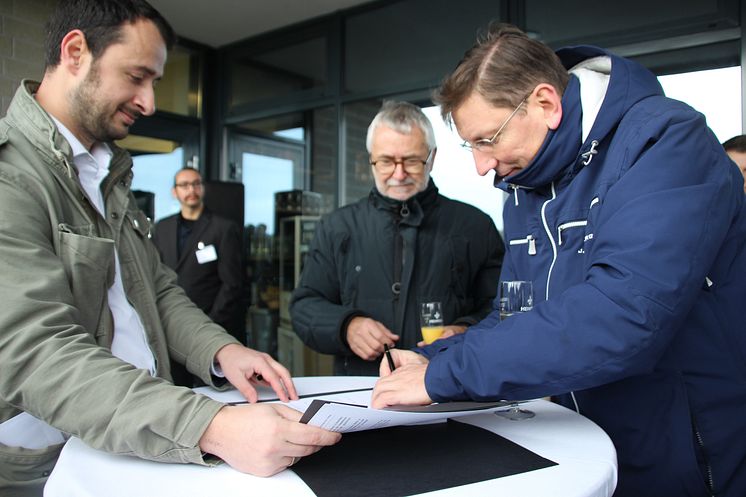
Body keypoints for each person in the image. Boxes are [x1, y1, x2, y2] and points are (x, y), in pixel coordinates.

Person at [371, 24, 746, 497]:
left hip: (689, 459)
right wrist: (430, 358)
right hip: (588, 445)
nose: (481, 167)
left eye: (487, 140)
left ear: (546, 104)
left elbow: (623, 314)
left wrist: (444, 376)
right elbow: (519, 315)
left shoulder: (667, 143)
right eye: (472, 146)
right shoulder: (526, 182)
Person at [0, 1, 339, 495]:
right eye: (137, 76)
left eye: (155, 82)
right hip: (53, 464)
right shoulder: (11, 178)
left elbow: (155, 291)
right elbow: (36, 353)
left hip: (145, 438)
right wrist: (210, 426)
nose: (149, 102)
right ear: (75, 52)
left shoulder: (107, 174)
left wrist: (222, 350)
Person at [290, 101, 504, 376]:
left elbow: (499, 308)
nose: (399, 174)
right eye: (386, 161)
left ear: (432, 157)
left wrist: (464, 331)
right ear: (370, 159)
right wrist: (345, 326)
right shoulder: (336, 227)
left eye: (412, 161)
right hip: (360, 392)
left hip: (446, 387)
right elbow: (304, 306)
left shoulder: (475, 226)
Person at [153, 167, 245, 385]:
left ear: (203, 189)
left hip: (213, 327)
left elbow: (232, 284)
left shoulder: (223, 228)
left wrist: (209, 324)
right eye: (184, 185)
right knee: (177, 392)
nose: (191, 189)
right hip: (173, 331)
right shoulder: (162, 228)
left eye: (196, 184)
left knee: (216, 395)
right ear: (175, 192)